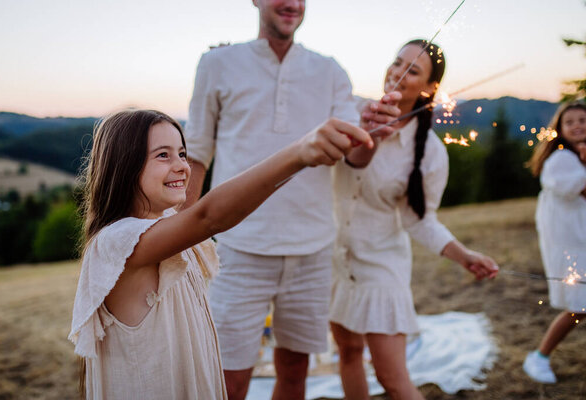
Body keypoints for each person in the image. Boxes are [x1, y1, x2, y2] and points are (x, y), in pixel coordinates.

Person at [68, 109, 373, 399]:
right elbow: (209, 216)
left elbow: (224, 208)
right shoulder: (117, 242)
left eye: (183, 154)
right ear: (123, 165)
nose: (182, 166)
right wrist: (298, 153)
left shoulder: (168, 228)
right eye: (163, 155)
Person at [183, 1, 400, 399]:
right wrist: (180, 234)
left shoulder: (330, 70)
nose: (293, 4)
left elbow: (355, 156)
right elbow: (196, 152)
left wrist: (372, 135)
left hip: (313, 249)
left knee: (296, 370)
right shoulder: (217, 63)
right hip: (238, 247)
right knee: (227, 380)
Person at [329, 39, 499, 400]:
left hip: (380, 268)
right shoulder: (348, 112)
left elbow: (421, 220)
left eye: (413, 70)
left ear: (430, 88)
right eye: (396, 62)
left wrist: (464, 255)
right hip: (334, 259)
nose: (398, 73)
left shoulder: (431, 153)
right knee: (348, 353)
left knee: (393, 379)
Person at [522, 101, 586, 384]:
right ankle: (540, 356)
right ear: (559, 129)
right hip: (571, 243)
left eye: (583, 120)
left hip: (578, 239)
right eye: (569, 122)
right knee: (579, 306)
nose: (577, 126)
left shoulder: (574, 158)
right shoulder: (561, 158)